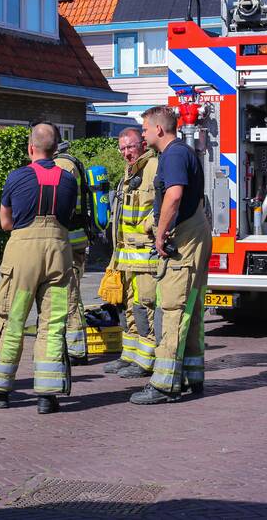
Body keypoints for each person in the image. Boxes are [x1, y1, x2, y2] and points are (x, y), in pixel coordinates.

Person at [0, 123, 78, 415]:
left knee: (12, 319)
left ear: (31, 148)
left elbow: (6, 223)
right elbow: (69, 216)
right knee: (53, 323)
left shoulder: (17, 176)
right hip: (58, 252)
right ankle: (48, 395)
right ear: (56, 149)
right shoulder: (69, 180)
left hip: (23, 253)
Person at [130, 106, 211, 405]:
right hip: (193, 236)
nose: (143, 134)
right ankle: (192, 375)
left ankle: (164, 385)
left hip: (184, 242)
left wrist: (161, 233)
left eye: (145, 129)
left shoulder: (174, 155)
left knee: (172, 310)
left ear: (159, 130)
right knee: (189, 308)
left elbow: (174, 196)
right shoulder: (179, 153)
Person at [103, 127, 159, 379]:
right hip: (125, 255)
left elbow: (163, 207)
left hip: (145, 254)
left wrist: (150, 228)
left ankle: (147, 360)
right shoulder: (129, 173)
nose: (126, 152)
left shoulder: (153, 168)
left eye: (131, 147)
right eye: (122, 148)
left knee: (144, 305)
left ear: (143, 144)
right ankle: (130, 355)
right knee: (127, 307)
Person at [53, 141, 90, 364]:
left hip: (69, 241)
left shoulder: (62, 166)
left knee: (69, 295)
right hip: (71, 240)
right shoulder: (68, 163)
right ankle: (71, 346)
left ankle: (76, 350)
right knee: (68, 294)